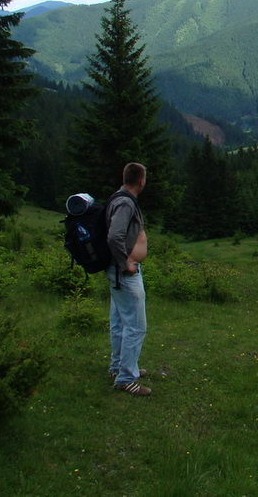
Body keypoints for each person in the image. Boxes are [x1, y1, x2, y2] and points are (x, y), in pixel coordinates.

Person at [106, 162, 151, 396]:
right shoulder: (125, 202)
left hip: (118, 272)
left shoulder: (119, 197)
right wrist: (126, 263)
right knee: (135, 326)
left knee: (120, 322)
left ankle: (120, 367)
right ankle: (126, 379)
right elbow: (115, 236)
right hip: (124, 273)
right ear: (141, 180)